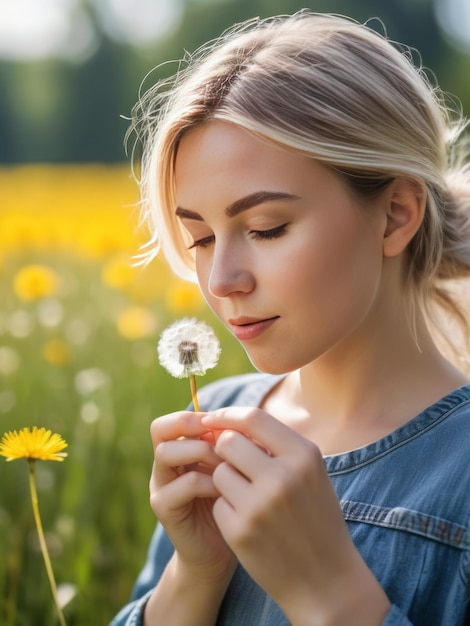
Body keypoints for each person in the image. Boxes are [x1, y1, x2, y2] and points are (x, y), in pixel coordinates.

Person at [111, 10, 470, 626]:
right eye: (198, 238)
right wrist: (194, 574)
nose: (222, 281)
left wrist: (328, 593)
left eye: (265, 228)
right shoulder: (214, 430)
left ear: (396, 214)